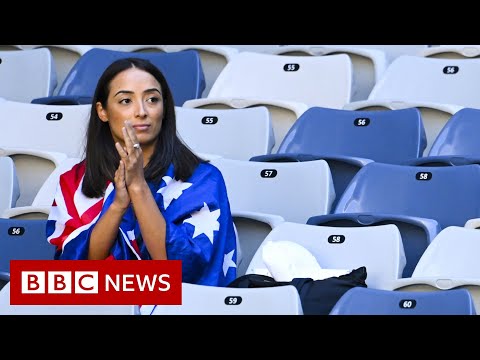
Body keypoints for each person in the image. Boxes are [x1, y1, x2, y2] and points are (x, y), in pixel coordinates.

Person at [46, 57, 237, 286]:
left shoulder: (203, 179)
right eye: (126, 100)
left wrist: (138, 187)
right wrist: (117, 206)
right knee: (22, 289)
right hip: (99, 305)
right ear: (102, 111)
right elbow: (74, 276)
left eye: (152, 99)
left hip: (174, 308)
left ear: (164, 108)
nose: (141, 111)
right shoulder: (75, 181)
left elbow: (177, 272)